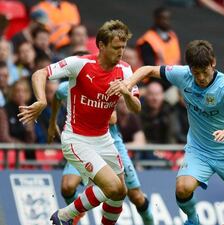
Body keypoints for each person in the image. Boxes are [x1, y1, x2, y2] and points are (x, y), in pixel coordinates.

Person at [109, 40, 224, 225]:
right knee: (182, 188)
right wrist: (127, 83)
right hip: (199, 150)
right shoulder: (182, 75)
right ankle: (193, 221)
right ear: (189, 68)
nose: (201, 78)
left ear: (213, 63)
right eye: (196, 73)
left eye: (204, 72)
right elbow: (148, 69)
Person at [18, 19, 140, 225]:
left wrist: (127, 93)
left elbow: (136, 107)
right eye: (116, 47)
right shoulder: (81, 64)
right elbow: (40, 73)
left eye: (123, 48)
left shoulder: (125, 70)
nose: (120, 52)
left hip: (104, 139)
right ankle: (64, 215)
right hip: (77, 139)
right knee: (112, 188)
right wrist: (41, 100)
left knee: (120, 192)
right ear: (101, 45)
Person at [48, 81, 154, 225]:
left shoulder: (103, 82)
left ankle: (150, 222)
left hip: (111, 144)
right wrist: (52, 121)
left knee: (135, 196)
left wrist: (82, 108)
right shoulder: (65, 87)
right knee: (67, 186)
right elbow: (57, 96)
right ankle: (74, 215)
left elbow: (113, 118)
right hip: (82, 143)